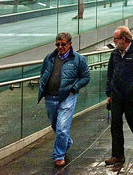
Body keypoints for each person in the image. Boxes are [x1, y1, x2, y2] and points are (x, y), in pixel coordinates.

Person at [38, 32, 90, 167]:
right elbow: (43, 73)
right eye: (58, 44)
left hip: (67, 96)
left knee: (62, 127)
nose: (60, 47)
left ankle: (59, 155)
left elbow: (85, 77)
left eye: (63, 44)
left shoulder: (78, 59)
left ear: (70, 44)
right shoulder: (49, 58)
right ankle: (67, 142)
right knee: (55, 124)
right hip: (50, 97)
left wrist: (74, 88)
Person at [105, 26, 133, 165]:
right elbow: (110, 73)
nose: (114, 41)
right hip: (117, 96)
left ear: (123, 39)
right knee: (115, 125)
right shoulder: (115, 54)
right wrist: (109, 92)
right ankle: (118, 155)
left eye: (115, 38)